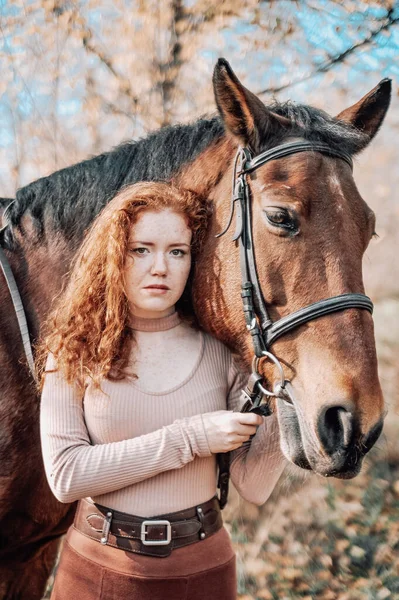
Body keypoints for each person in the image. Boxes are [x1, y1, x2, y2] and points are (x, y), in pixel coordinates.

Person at [39, 181, 286, 600]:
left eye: (178, 251)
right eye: (141, 249)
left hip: (203, 570)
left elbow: (254, 486)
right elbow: (66, 475)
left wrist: (291, 386)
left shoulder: (222, 354)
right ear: (113, 255)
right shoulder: (73, 350)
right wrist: (191, 438)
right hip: (98, 571)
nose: (161, 267)